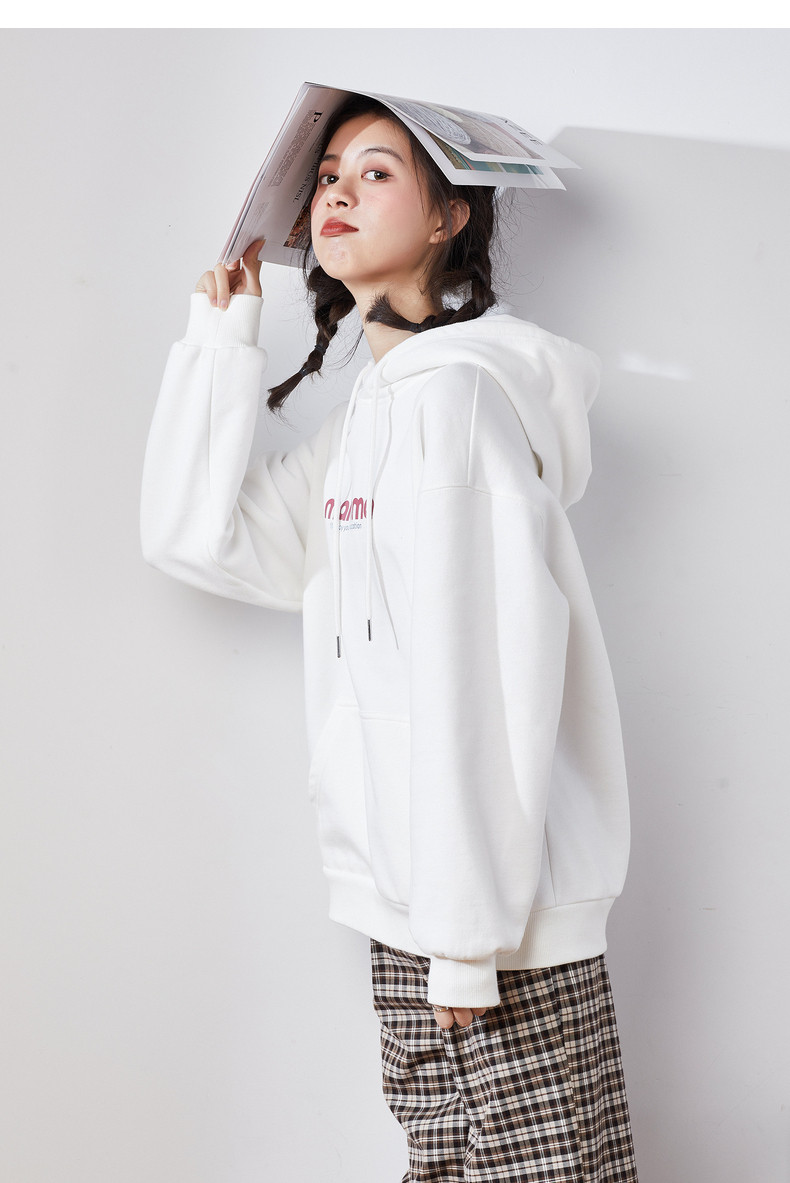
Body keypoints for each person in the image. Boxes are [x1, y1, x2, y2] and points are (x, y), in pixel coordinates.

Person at [141, 93, 639, 1183]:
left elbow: (481, 678)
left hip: (490, 934)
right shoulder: (371, 418)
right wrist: (221, 342)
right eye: (328, 175)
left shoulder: (453, 405)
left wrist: (463, 943)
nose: (337, 193)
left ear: (449, 215)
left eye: (376, 173)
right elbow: (193, 537)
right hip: (419, 915)